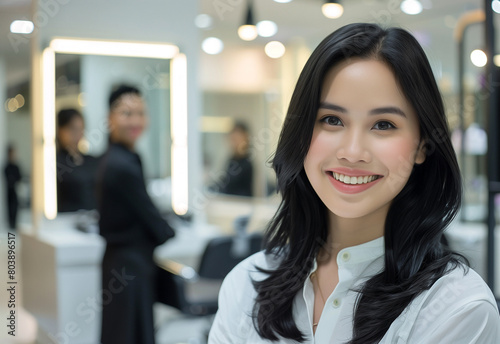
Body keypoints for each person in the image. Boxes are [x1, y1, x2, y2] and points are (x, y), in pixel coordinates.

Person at [209, 23, 500, 343]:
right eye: (332, 120)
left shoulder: (458, 309)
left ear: (422, 146)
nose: (352, 152)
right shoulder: (245, 285)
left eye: (383, 124)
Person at [97, 84, 175, 344]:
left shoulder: (118, 158)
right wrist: (167, 229)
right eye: (126, 113)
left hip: (123, 264)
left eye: (141, 113)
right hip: (128, 268)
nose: (135, 120)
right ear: (110, 118)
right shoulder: (123, 165)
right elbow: (154, 221)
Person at [56, 108, 99, 212]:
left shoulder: (90, 160)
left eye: (80, 129)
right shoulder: (57, 162)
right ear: (60, 130)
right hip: (66, 221)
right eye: (72, 129)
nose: (77, 134)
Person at [218, 121, 253, 197]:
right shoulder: (231, 160)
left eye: (237, 137)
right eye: (233, 138)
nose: (234, 141)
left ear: (245, 138)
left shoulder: (246, 163)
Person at [4, 144, 21, 229]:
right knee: (9, 209)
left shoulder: (16, 167)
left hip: (15, 191)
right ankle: (11, 225)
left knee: (15, 208)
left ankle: (14, 224)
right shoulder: (6, 167)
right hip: (8, 191)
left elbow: (19, 177)